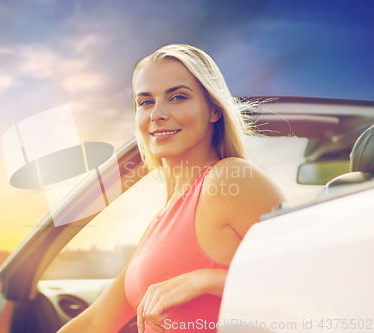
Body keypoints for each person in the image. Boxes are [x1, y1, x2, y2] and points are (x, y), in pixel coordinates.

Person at [57, 44, 286, 332]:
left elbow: (306, 285)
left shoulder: (230, 179)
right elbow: (94, 323)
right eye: (145, 102)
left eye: (177, 97)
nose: (157, 114)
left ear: (214, 110)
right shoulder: (161, 218)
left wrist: (205, 280)